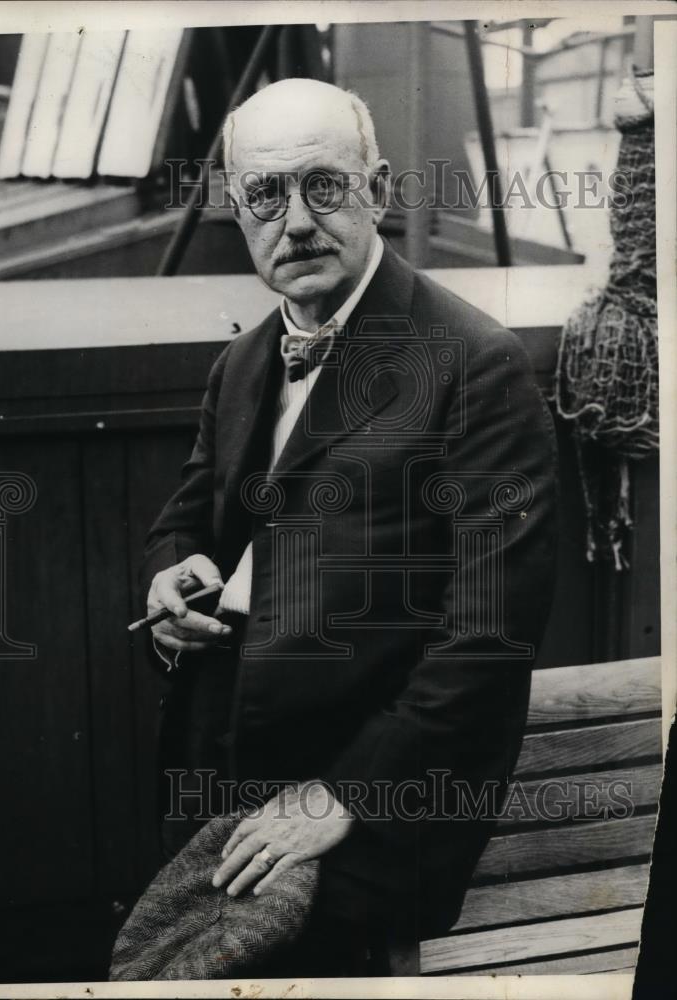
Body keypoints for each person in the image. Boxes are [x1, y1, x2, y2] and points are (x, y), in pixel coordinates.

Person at [139, 77, 558, 976]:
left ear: (379, 190)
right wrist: (173, 577)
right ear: (237, 211)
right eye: (265, 194)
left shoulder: (476, 364)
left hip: (380, 808)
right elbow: (187, 517)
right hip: (224, 779)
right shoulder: (243, 360)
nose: (295, 222)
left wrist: (343, 796)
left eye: (323, 186)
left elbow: (488, 635)